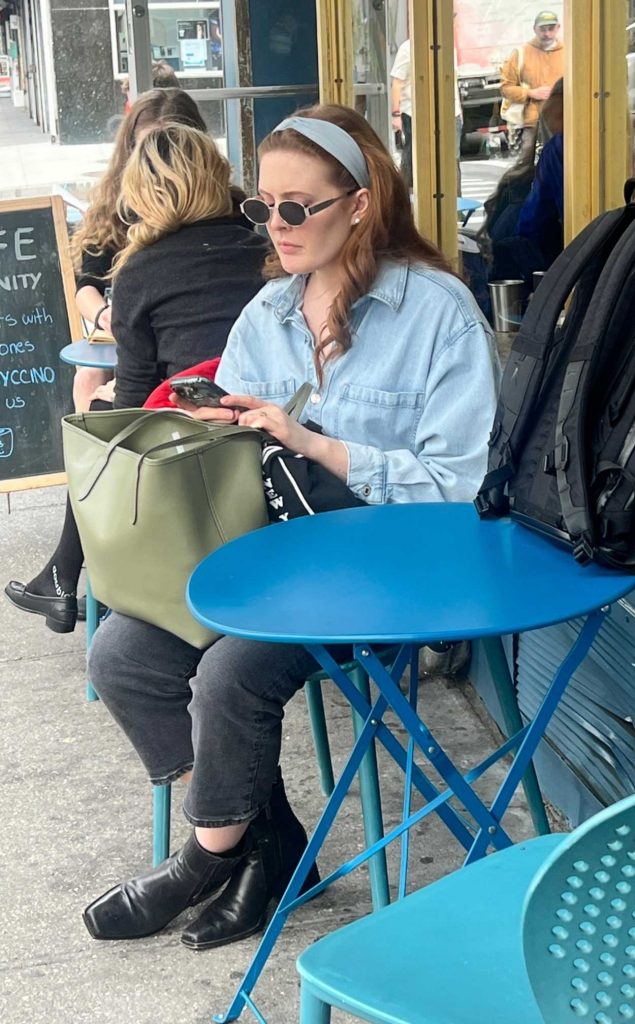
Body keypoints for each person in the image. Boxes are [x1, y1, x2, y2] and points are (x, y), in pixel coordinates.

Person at [81, 103, 500, 953]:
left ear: (360, 202)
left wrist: (313, 442)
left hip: (397, 569)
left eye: (295, 207)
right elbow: (231, 462)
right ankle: (264, 846)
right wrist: (213, 439)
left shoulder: (438, 312)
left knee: (233, 670)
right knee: (123, 653)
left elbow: (461, 487)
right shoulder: (267, 312)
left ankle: (206, 857)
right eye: (262, 206)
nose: (274, 227)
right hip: (278, 560)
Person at [4, 97, 268, 633]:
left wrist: (106, 409)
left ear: (144, 192)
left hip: (191, 454)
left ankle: (65, 574)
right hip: (271, 431)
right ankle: (58, 575)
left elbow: (135, 402)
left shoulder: (142, 271)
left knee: (96, 433)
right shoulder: (262, 248)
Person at [500, 10, 565, 157]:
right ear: (534, 29)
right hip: (531, 123)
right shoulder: (521, 53)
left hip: (561, 122)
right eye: (542, 29)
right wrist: (530, 93)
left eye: (551, 29)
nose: (547, 33)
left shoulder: (569, 53)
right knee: (526, 164)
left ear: (558, 28)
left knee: (561, 166)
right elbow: (506, 88)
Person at [390, 37, 412, 188]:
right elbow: (397, 83)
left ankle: (455, 208)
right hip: (412, 111)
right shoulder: (408, 49)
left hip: (450, 113)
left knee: (451, 160)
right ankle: (406, 193)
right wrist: (396, 114)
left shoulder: (450, 46)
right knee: (412, 155)